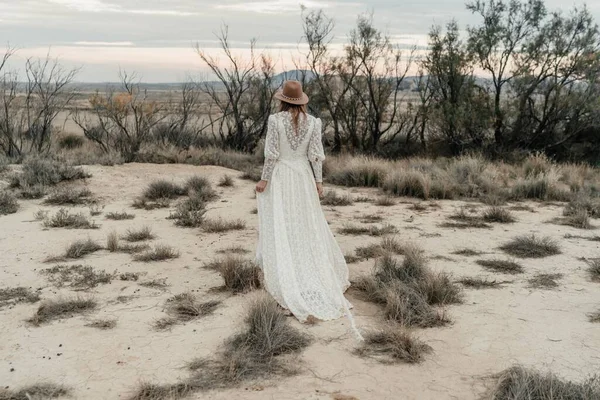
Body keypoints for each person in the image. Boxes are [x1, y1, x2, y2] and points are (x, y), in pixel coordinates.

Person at [255, 80, 362, 340]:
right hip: (302, 175)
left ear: (282, 100)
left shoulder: (274, 121)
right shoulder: (314, 122)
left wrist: (264, 179)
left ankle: (288, 270)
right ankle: (302, 264)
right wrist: (318, 181)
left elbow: (271, 155)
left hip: (282, 175)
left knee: (283, 222)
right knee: (304, 222)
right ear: (302, 100)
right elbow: (316, 155)